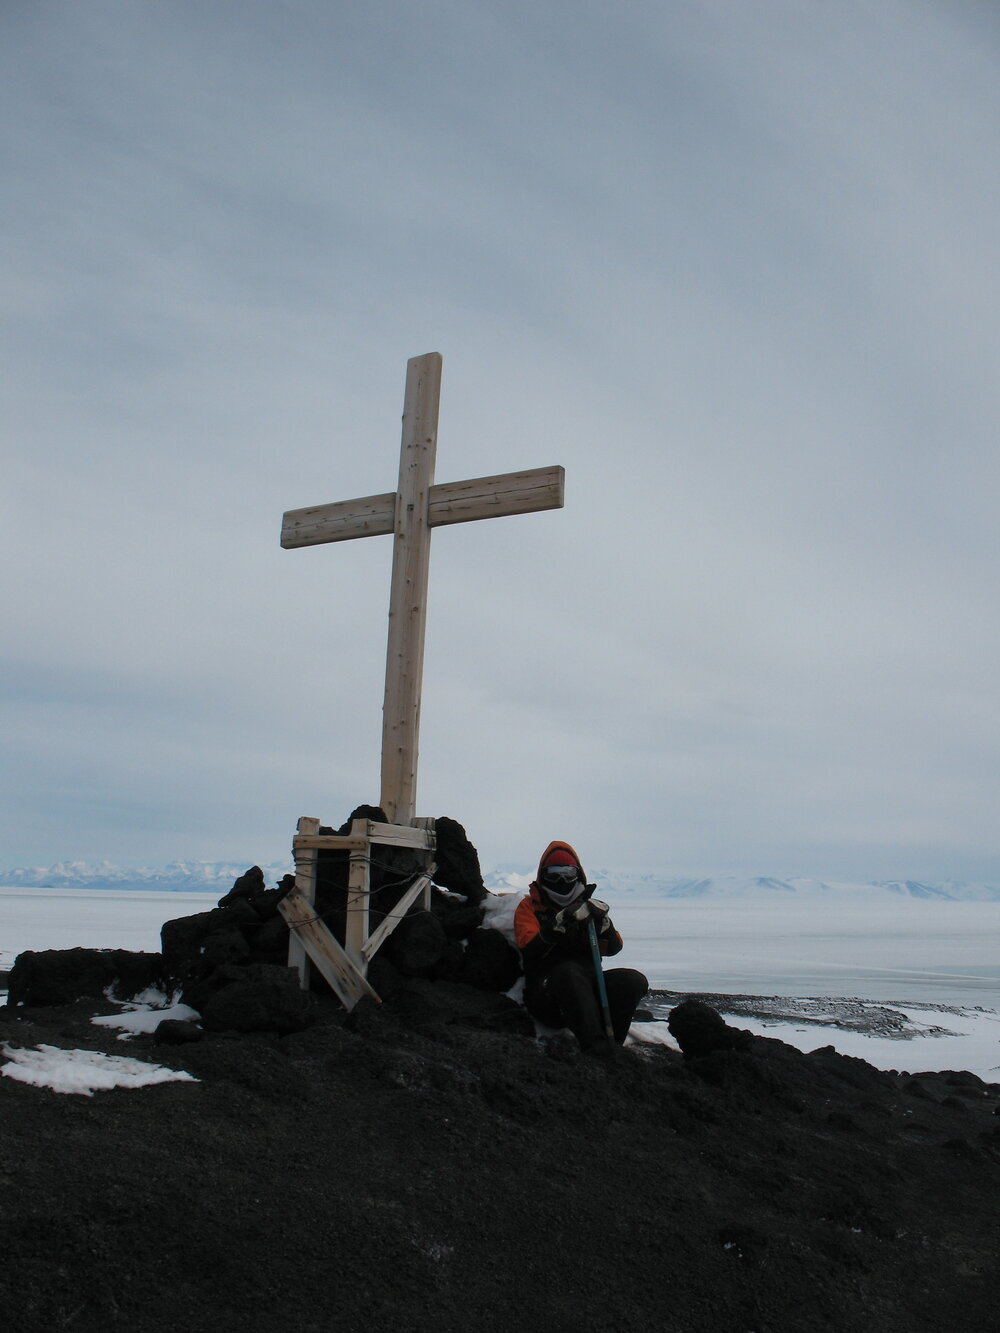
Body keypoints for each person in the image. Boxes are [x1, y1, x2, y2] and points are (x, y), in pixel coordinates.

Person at [514, 841, 648, 1056]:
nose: (561, 879)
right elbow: (528, 948)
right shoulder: (531, 907)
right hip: (548, 994)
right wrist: (553, 929)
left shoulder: (589, 909)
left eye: (567, 872)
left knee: (632, 980)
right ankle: (595, 1049)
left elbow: (614, 948)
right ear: (542, 875)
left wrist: (605, 927)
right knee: (569, 973)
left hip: (588, 991)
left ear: (578, 874)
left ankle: (613, 1044)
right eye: (554, 873)